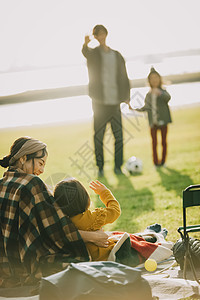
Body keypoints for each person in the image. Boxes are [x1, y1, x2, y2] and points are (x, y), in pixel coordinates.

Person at [0, 137, 109, 288]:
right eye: (40, 163)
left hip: (5, 267)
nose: (42, 170)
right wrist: (93, 237)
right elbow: (55, 231)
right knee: (81, 267)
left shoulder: (3, 183)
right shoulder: (32, 183)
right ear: (24, 158)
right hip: (29, 265)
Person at [82, 24, 130, 176]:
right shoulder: (94, 54)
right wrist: (85, 43)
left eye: (103, 34)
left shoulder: (116, 55)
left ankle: (118, 167)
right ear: (95, 37)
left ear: (106, 34)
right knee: (98, 137)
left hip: (115, 102)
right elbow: (85, 52)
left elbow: (124, 76)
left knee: (119, 137)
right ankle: (100, 168)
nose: (101, 36)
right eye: (98, 34)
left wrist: (127, 97)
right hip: (99, 103)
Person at [54, 178, 121, 261]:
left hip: (88, 262)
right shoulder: (93, 218)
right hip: (108, 256)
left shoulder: (63, 223)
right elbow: (115, 211)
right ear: (84, 198)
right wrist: (104, 193)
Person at [135, 67, 172, 167]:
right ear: (149, 81)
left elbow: (168, 98)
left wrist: (159, 93)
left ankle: (163, 161)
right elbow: (145, 108)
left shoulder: (163, 91)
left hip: (163, 121)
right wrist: (133, 108)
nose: (154, 80)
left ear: (159, 79)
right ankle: (156, 162)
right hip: (153, 123)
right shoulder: (148, 95)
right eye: (152, 78)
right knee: (154, 143)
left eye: (156, 77)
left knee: (164, 142)